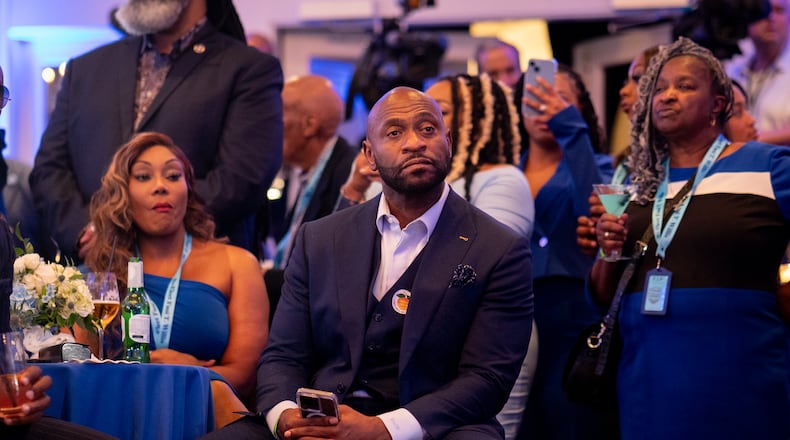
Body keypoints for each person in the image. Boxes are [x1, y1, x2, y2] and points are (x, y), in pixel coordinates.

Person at [204, 86, 533, 440]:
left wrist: (384, 429)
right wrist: (287, 417)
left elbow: (487, 379)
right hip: (321, 418)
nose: (414, 143)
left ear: (448, 141)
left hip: (432, 426)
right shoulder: (320, 238)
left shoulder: (499, 247)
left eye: (428, 129)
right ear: (369, 155)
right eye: (394, 132)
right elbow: (284, 355)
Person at [592, 37, 790, 439]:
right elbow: (601, 294)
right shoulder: (635, 187)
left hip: (743, 375)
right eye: (660, 87)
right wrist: (608, 251)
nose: (667, 96)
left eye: (684, 86)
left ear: (718, 104)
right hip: (648, 382)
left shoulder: (768, 167)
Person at [30, 0, 283, 263]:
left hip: (194, 272)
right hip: (94, 275)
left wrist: (128, 231)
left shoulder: (247, 69)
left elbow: (241, 178)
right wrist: (84, 231)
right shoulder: (86, 69)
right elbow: (50, 169)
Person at [84, 132, 269, 428]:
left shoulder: (237, 264)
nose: (160, 187)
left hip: (207, 419)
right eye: (143, 177)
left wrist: (187, 374)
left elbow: (246, 377)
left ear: (188, 188)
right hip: (118, 418)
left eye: (172, 175)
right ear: (123, 194)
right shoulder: (97, 277)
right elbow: (82, 369)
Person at [517, 65, 614, 439]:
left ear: (577, 109)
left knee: (567, 419)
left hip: (572, 309)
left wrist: (573, 132)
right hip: (513, 308)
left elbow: (593, 210)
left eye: (557, 100)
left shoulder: (600, 166)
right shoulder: (506, 170)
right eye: (535, 100)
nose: (545, 110)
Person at [261, 75, 357, 318]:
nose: (270, 122)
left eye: (279, 112)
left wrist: (263, 278)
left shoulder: (351, 175)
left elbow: (329, 271)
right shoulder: (305, 173)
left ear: (310, 125)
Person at [727, 0, 790, 145]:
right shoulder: (733, 68)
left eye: (779, 11)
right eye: (763, 10)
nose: (771, 17)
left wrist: (748, 141)